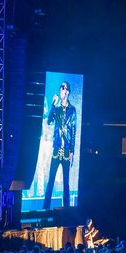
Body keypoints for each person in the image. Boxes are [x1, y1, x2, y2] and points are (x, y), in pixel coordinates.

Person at [43, 80, 77, 210]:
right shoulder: (56, 109)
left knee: (66, 183)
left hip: (67, 150)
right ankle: (45, 209)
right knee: (50, 181)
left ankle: (67, 210)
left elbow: (73, 131)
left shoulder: (72, 110)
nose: (64, 90)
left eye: (66, 88)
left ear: (68, 91)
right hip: (57, 149)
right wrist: (53, 104)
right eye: (62, 88)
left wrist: (72, 151)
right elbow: (49, 121)